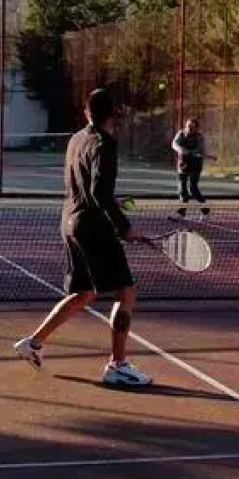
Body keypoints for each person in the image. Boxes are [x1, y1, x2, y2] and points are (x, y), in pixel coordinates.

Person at [13, 89, 154, 387]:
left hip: (69, 222)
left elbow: (90, 189)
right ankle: (117, 365)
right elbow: (98, 193)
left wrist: (114, 204)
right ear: (113, 114)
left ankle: (33, 343)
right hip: (92, 227)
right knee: (125, 291)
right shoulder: (105, 144)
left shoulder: (76, 139)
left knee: (85, 292)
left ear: (86, 112)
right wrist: (124, 227)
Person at [170, 117, 209, 220]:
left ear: (197, 128)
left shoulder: (200, 137)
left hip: (195, 164)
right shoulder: (181, 134)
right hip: (183, 163)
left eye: (192, 127)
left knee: (193, 189)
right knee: (182, 189)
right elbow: (174, 144)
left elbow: (201, 150)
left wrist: (191, 152)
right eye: (188, 126)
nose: (189, 128)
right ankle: (181, 213)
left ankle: (205, 211)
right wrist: (181, 149)